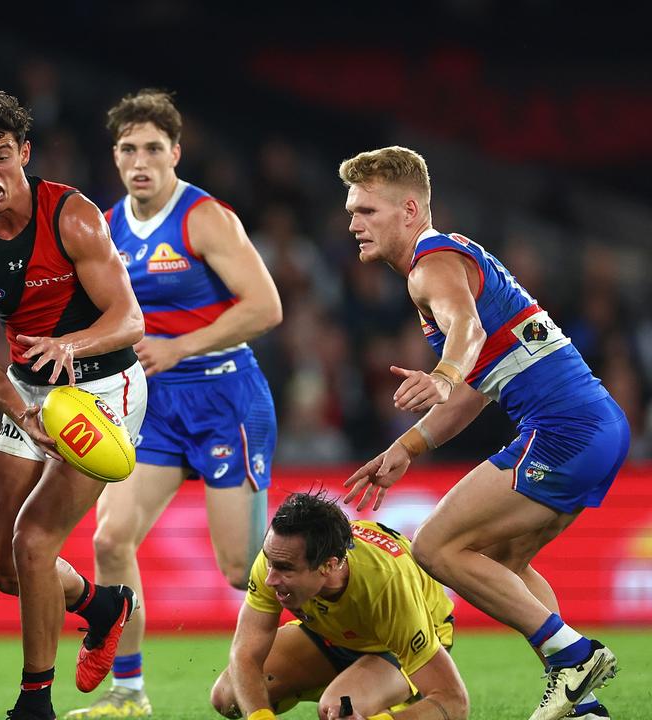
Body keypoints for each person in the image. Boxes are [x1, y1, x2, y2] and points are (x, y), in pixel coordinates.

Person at [339, 146, 626, 720]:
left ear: (410, 210)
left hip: (563, 431)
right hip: (594, 426)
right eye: (352, 210)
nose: (353, 224)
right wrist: (407, 447)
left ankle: (572, 655)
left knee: (434, 546)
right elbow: (478, 386)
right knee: (502, 561)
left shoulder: (430, 266)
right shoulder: (457, 258)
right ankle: (583, 704)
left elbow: (463, 334)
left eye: (367, 210)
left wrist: (443, 373)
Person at [0, 89, 147, 720]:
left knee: (34, 541)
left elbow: (130, 318)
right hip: (30, 393)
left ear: (24, 153)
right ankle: (102, 606)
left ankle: (33, 704)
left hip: (104, 389)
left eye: (2, 156)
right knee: (1, 566)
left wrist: (70, 343)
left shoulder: (72, 217)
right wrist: (21, 407)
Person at [68, 89, 282, 719]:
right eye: (129, 149)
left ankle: (352, 639)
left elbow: (266, 307)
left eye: (153, 149)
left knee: (243, 569)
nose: (141, 161)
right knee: (110, 541)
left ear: (175, 153)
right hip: (151, 405)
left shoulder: (204, 218)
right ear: (114, 157)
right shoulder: (104, 227)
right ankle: (129, 696)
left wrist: (179, 346)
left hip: (224, 397)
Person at [210, 492, 467, 720]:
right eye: (269, 563)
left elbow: (453, 701)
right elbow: (245, 654)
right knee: (227, 696)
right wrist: (260, 717)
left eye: (286, 569)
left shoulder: (386, 585)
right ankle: (355, 688)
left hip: (399, 645)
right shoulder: (278, 557)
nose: (270, 579)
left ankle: (386, 700)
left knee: (335, 709)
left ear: (329, 566)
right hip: (336, 635)